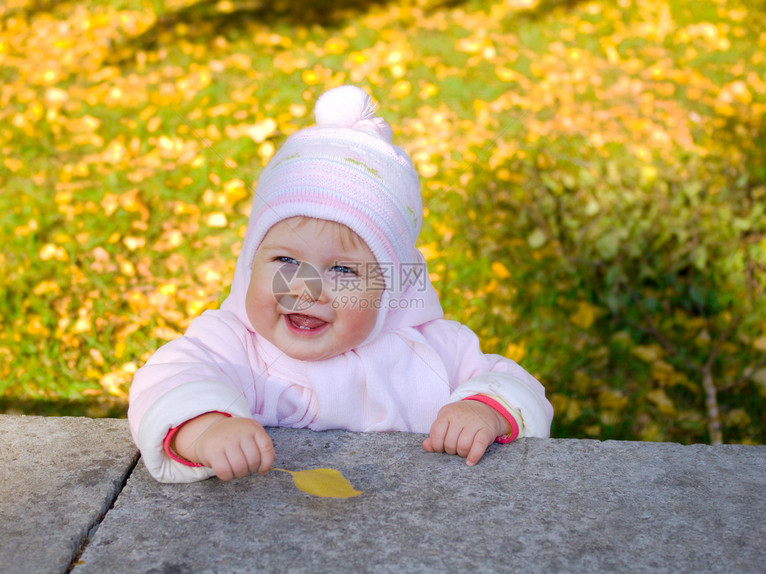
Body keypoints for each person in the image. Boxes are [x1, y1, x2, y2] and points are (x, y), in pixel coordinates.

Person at [128, 85, 553, 483]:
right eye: (286, 260)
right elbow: (164, 382)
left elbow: (513, 384)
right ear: (249, 265)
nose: (307, 289)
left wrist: (483, 410)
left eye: (344, 271)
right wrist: (204, 430)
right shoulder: (232, 343)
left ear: (391, 289)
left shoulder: (432, 350)